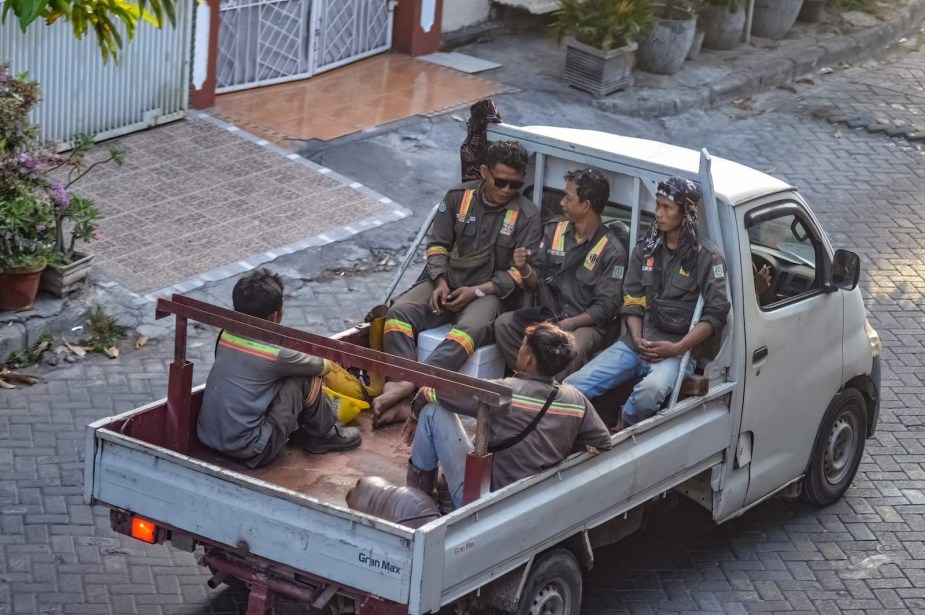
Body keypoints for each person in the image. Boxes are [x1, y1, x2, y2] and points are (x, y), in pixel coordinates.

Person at [373, 140, 542, 425]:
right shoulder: (456, 197)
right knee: (399, 313)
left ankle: (411, 385)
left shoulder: (527, 216)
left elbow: (519, 274)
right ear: (484, 172)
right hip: (446, 283)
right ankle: (400, 381)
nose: (506, 190)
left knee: (470, 330)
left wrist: (477, 291)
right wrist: (439, 282)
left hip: (488, 293)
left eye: (515, 185)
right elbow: (438, 246)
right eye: (501, 182)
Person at [564, 177, 731, 429]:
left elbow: (716, 314)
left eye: (667, 207)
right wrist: (637, 336)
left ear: (686, 212)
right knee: (572, 386)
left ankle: (623, 426)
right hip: (635, 343)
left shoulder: (707, 257)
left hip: (676, 350)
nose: (659, 214)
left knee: (648, 394)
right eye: (657, 206)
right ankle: (582, 429)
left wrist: (677, 348)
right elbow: (632, 300)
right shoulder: (646, 248)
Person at [401, 323, 613, 509]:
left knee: (431, 411)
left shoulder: (505, 391)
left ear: (529, 360)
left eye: (522, 346)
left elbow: (432, 393)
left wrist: (414, 414)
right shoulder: (576, 399)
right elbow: (602, 442)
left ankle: (420, 504)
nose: (518, 350)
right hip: (527, 499)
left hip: (482, 498)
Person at [197, 269, 362, 468]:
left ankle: (301, 429)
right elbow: (323, 365)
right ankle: (324, 435)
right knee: (306, 378)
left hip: (207, 437)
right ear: (275, 316)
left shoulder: (225, 335)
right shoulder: (274, 354)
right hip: (251, 449)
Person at [493, 168, 626, 379]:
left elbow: (606, 307)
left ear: (586, 205)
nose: (562, 202)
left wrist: (571, 323)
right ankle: (531, 381)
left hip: (584, 324)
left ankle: (546, 393)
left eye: (568, 197)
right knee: (504, 325)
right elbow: (537, 277)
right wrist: (525, 268)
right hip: (549, 314)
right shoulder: (554, 230)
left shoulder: (612, 251)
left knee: (571, 350)